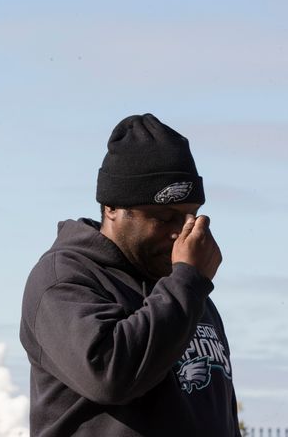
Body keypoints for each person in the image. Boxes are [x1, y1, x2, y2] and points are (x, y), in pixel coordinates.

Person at [20, 114, 240, 436]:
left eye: (190, 217)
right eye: (164, 218)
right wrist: (188, 282)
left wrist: (188, 283)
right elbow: (109, 375)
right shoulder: (63, 279)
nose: (180, 233)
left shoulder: (186, 287)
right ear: (111, 207)